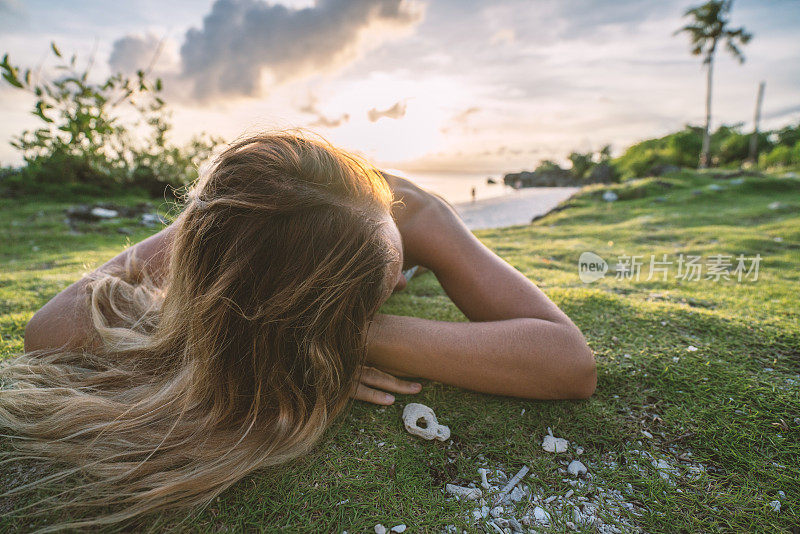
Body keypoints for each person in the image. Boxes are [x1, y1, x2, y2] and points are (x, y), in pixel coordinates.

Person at [1, 132, 595, 526]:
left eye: (387, 272)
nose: (389, 288)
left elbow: (568, 363)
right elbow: (50, 329)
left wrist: (356, 334)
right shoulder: (236, 223)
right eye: (371, 288)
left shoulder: (411, 209)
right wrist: (297, 329)